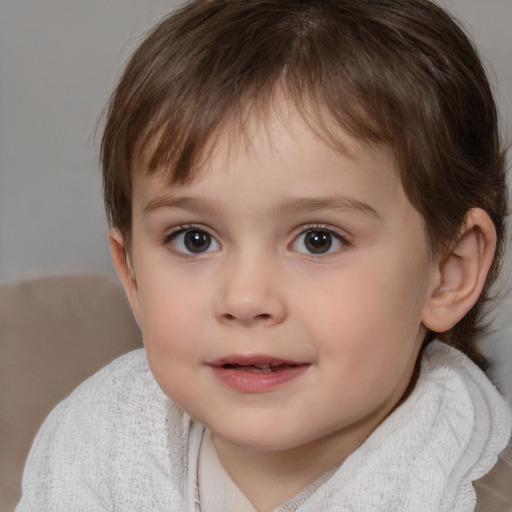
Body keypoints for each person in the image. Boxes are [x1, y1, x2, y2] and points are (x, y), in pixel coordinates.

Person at [16, 0, 512, 510]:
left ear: (449, 272)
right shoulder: (94, 443)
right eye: (195, 239)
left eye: (318, 239)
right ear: (134, 277)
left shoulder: (475, 491)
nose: (246, 298)